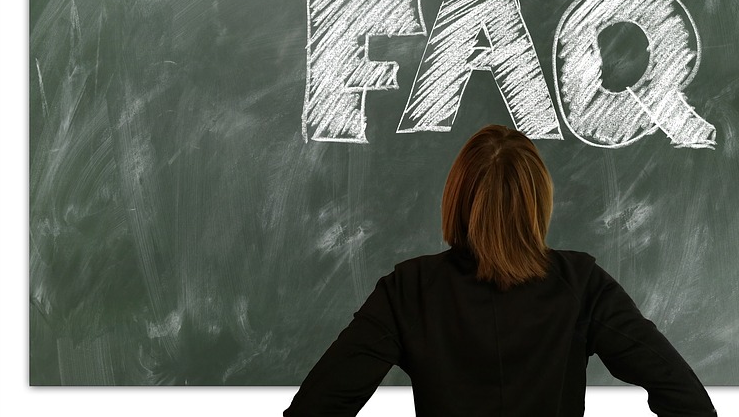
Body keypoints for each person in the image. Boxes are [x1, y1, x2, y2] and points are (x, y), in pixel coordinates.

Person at [284, 125, 716, 416]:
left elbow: (313, 411)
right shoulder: (580, 284)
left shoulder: (410, 289)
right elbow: (689, 403)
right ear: (538, 202)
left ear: (457, 197)